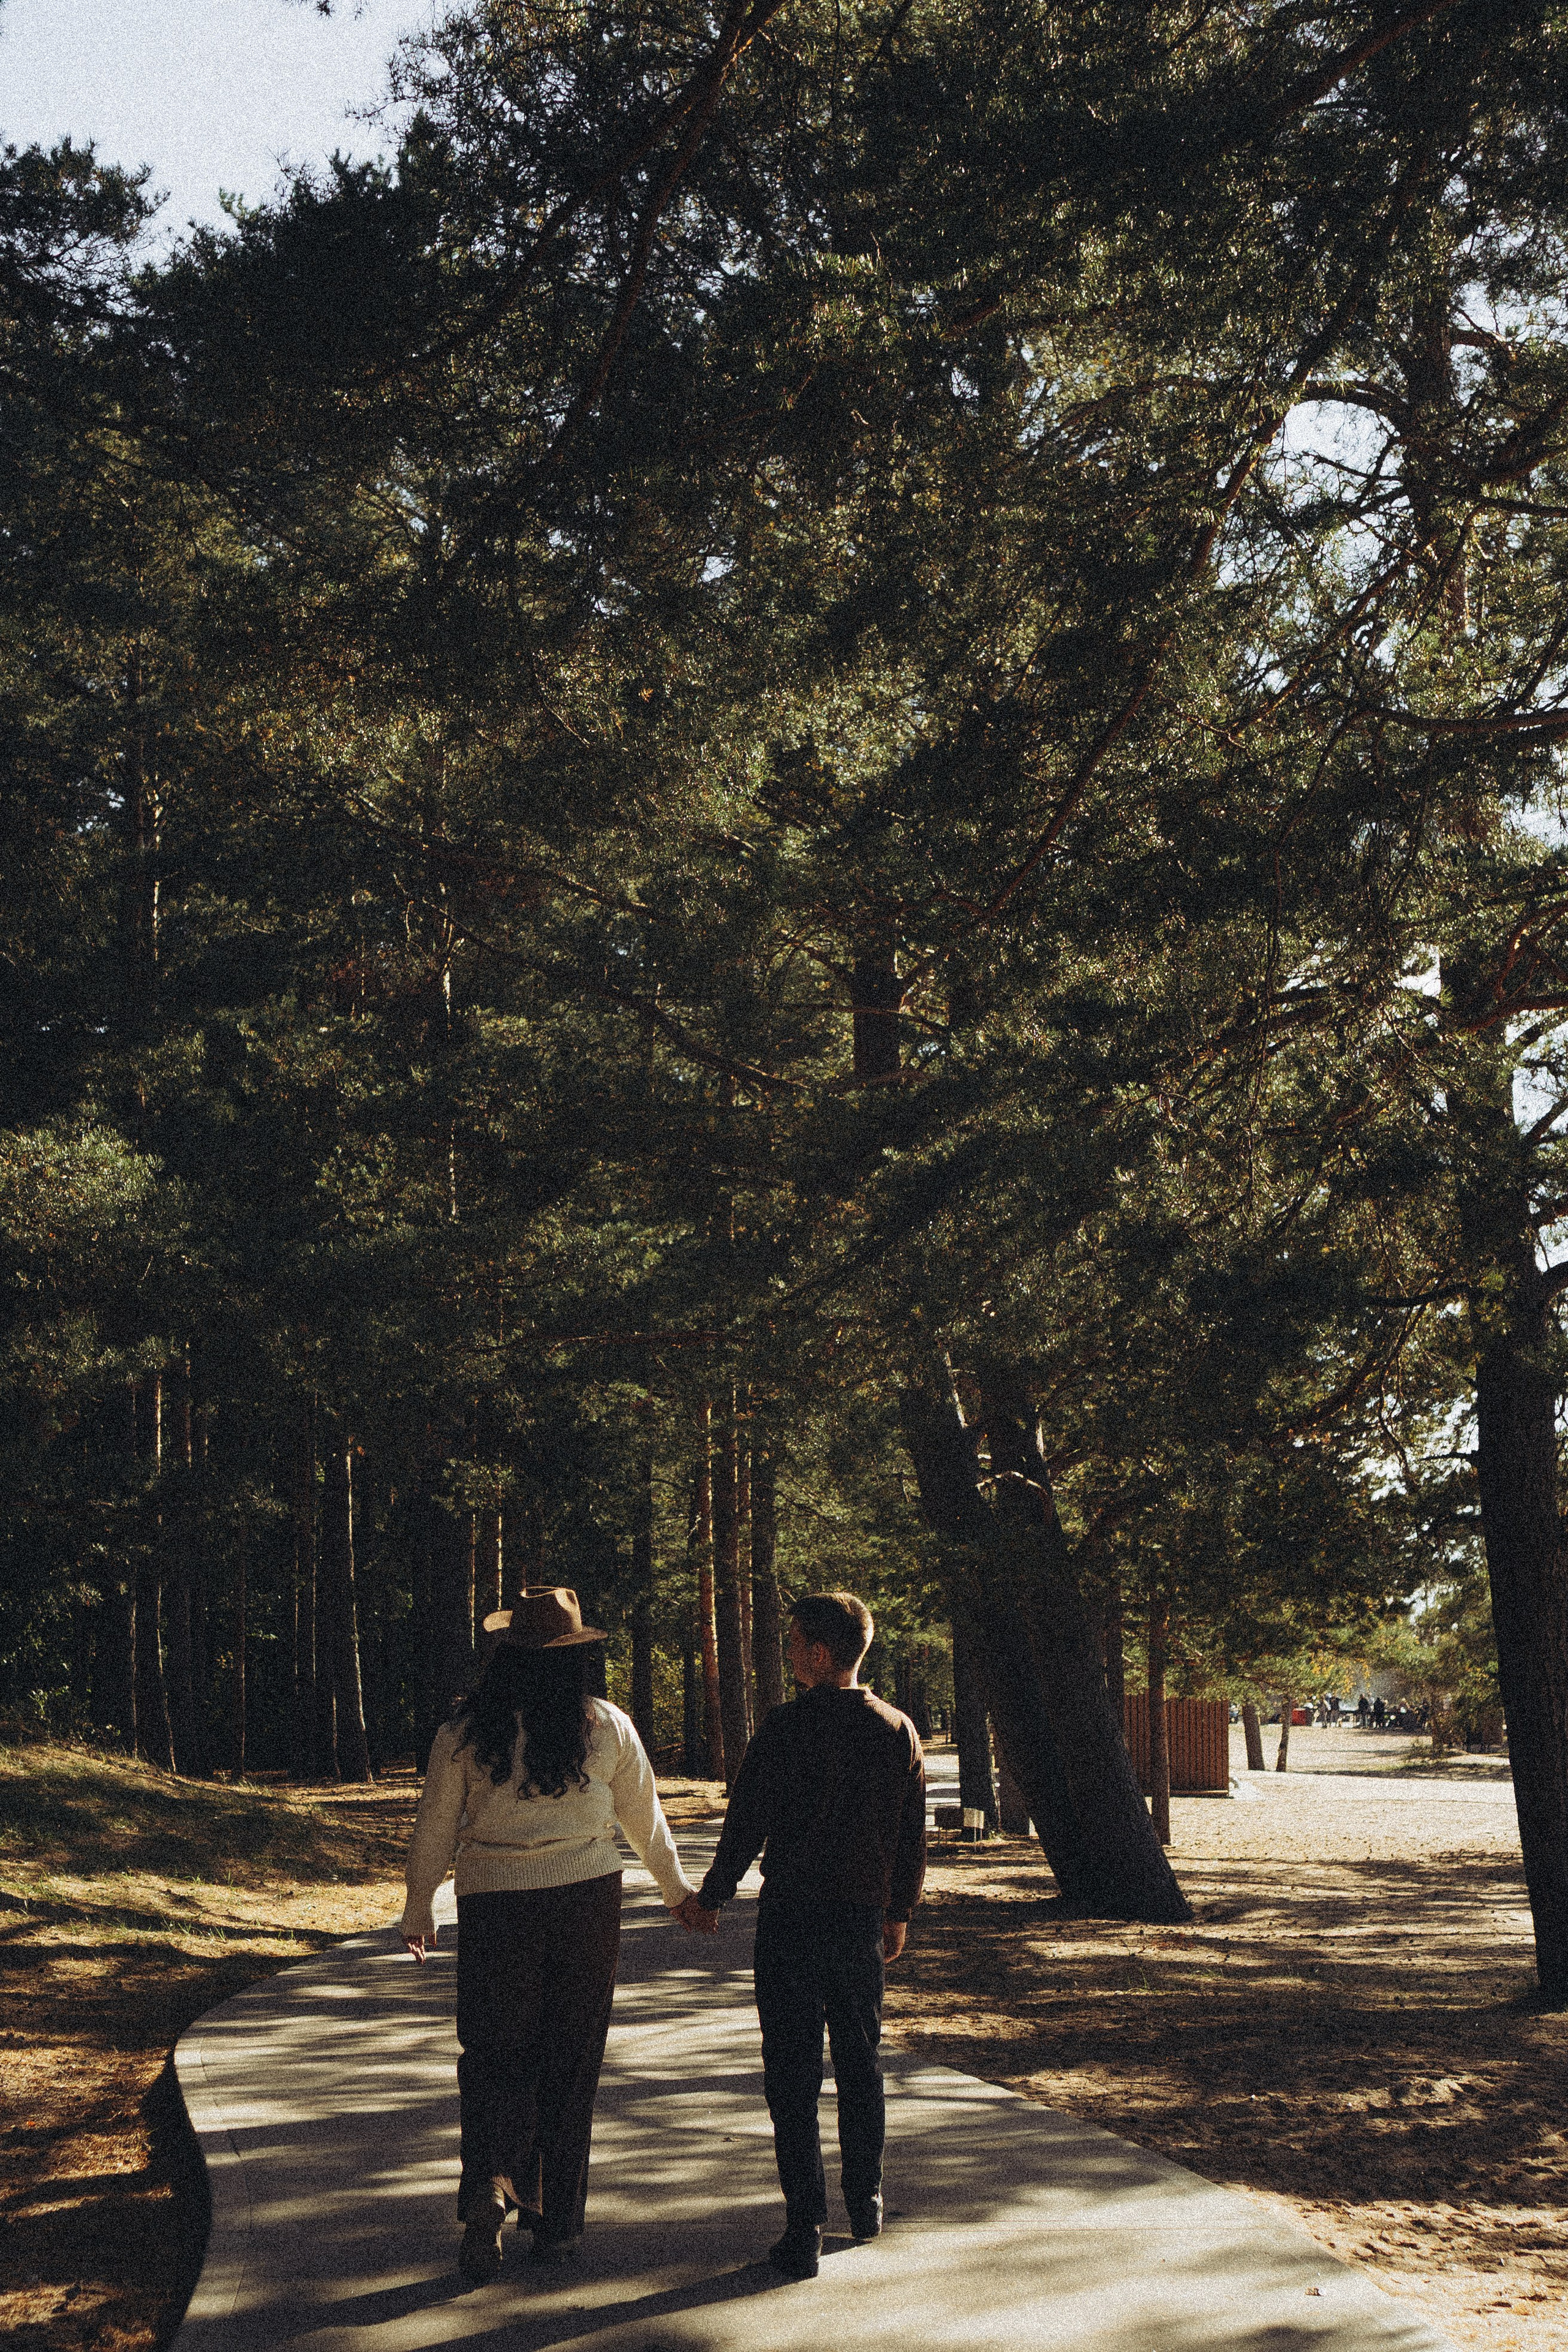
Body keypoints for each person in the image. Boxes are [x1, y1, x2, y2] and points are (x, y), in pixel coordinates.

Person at [401, 1586, 699, 2282]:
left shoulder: (464, 1734)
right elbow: (643, 1822)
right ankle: (558, 2227)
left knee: (494, 2055)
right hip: (585, 1906)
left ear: (505, 1656)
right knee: (571, 2062)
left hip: (494, 1907)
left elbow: (435, 1829)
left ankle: (488, 2185)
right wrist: (677, 1892)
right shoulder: (607, 1726)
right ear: (576, 1658)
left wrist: (420, 1909)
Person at [679, 1590, 927, 2282]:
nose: (787, 1650)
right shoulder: (897, 1730)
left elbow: (746, 1823)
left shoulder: (784, 1730)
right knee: (860, 2062)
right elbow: (910, 1836)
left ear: (820, 1654)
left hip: (791, 1921)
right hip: (857, 1924)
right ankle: (866, 2198)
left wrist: (713, 1896)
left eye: (792, 1641)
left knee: (790, 2076)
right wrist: (898, 1912)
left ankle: (805, 2226)